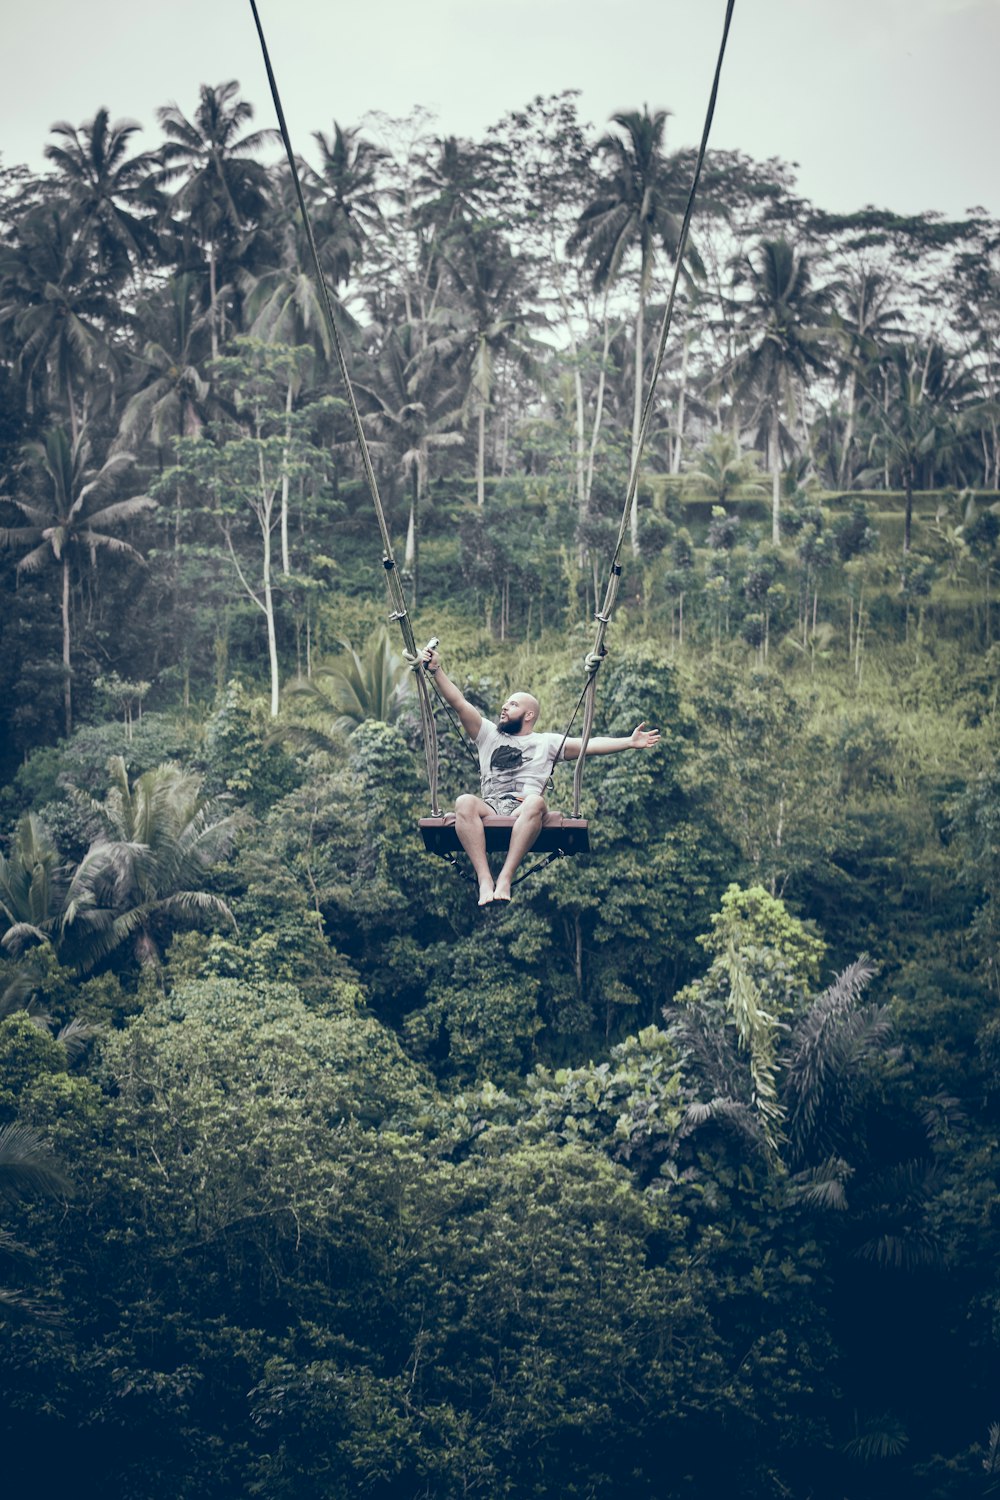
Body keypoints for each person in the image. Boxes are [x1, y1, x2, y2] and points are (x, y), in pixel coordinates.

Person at [421, 645, 660, 905]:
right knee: (464, 801)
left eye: (512, 704)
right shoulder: (487, 734)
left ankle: (505, 878)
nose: (504, 707)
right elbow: (459, 703)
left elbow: (588, 745)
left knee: (536, 801)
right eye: (505, 703)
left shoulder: (547, 742)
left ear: (529, 714)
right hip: (490, 806)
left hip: (522, 808)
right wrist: (436, 670)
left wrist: (628, 741)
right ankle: (484, 879)